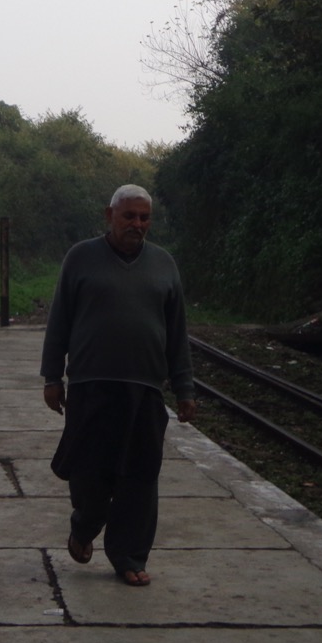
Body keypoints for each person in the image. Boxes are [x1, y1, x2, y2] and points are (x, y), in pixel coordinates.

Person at [40, 184, 196, 587]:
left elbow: (177, 333)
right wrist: (52, 376)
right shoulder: (81, 257)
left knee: (141, 477)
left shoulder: (164, 265)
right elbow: (60, 320)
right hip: (92, 385)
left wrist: (184, 388)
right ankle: (85, 523)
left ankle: (128, 555)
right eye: (129, 216)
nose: (138, 224)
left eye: (144, 217)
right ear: (110, 215)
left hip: (144, 389)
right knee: (90, 473)